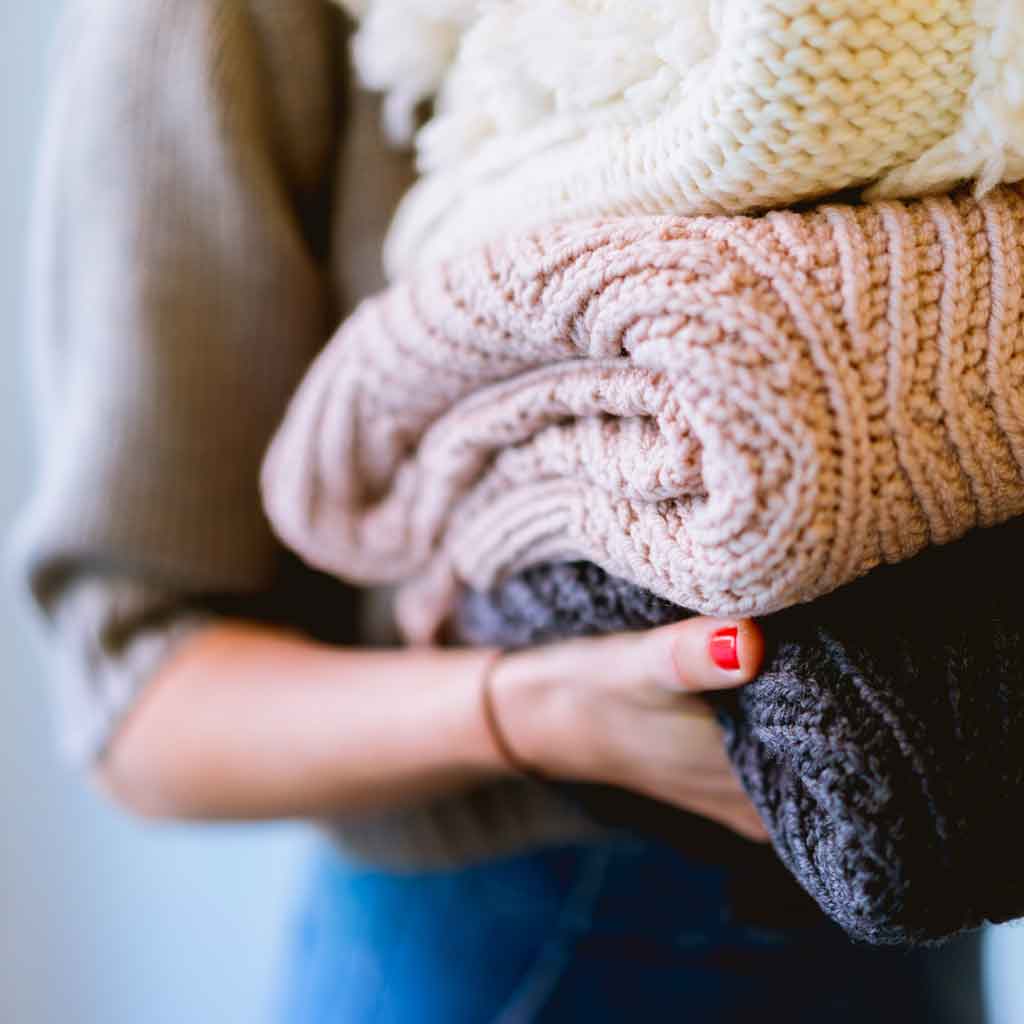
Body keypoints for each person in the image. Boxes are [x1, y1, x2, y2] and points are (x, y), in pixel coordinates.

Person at [14, 1, 982, 1020]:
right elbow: (136, 703)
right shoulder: (207, 25)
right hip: (531, 935)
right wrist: (529, 712)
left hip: (909, 874)